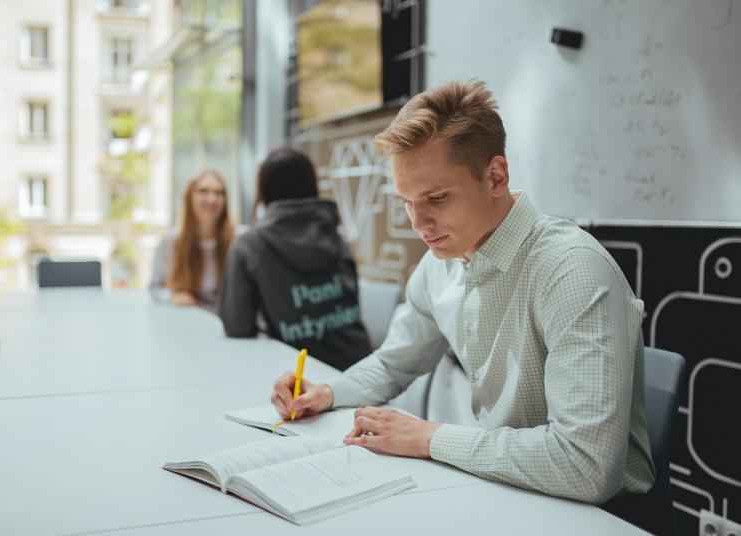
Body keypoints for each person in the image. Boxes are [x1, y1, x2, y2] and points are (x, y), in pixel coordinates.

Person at [270, 81, 656, 509]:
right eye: (406, 202)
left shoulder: (571, 271)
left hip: (602, 517)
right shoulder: (440, 263)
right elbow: (394, 363)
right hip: (509, 493)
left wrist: (429, 437)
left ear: (495, 176)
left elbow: (585, 465)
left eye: (436, 198)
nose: (419, 223)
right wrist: (326, 393)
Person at [218, 147, 372, 371]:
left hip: (300, 382)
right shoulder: (335, 235)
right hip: (363, 373)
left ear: (263, 191)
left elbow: (237, 326)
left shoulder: (249, 245)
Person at [150, 171, 234, 310]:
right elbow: (155, 288)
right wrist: (171, 296)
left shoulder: (239, 239)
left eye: (219, 193)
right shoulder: (172, 240)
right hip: (189, 319)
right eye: (203, 191)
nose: (212, 199)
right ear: (190, 197)